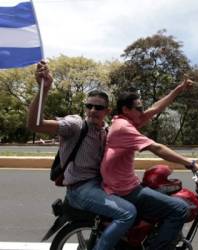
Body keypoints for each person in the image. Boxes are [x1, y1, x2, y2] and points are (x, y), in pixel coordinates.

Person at [27, 61, 137, 250]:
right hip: (81, 189)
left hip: (100, 186)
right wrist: (44, 89)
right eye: (89, 106)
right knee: (127, 213)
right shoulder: (76, 125)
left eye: (98, 108)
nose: (93, 110)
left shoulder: (106, 131)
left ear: (107, 111)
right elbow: (35, 125)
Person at [101, 80, 198, 250]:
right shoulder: (124, 127)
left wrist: (178, 90)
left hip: (121, 186)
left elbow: (156, 108)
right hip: (125, 191)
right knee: (180, 208)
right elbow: (156, 147)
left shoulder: (123, 120)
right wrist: (191, 163)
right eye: (139, 108)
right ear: (126, 109)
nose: (143, 111)